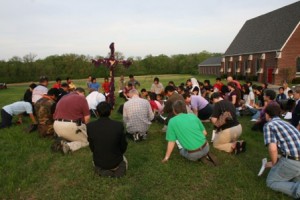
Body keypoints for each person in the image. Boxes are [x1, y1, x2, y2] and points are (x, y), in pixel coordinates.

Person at [263, 103, 300, 199]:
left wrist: (274, 164)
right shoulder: (287, 124)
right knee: (292, 177)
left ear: (267, 114)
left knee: (271, 182)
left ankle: (298, 190)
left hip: (293, 161)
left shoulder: (269, 125)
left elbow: (273, 148)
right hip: (297, 159)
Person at [87, 102, 128, 178]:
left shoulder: (90, 126)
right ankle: (118, 170)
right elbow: (123, 146)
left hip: (99, 161)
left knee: (97, 163)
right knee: (123, 160)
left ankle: (102, 171)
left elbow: (92, 146)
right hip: (116, 160)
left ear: (97, 112)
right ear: (111, 111)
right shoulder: (118, 125)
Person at [53, 87, 90, 154]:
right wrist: (86, 129)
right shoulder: (81, 98)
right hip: (71, 126)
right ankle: (68, 146)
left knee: (72, 135)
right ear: (81, 93)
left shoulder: (63, 97)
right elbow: (87, 118)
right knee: (86, 142)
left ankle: (64, 139)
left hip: (56, 126)